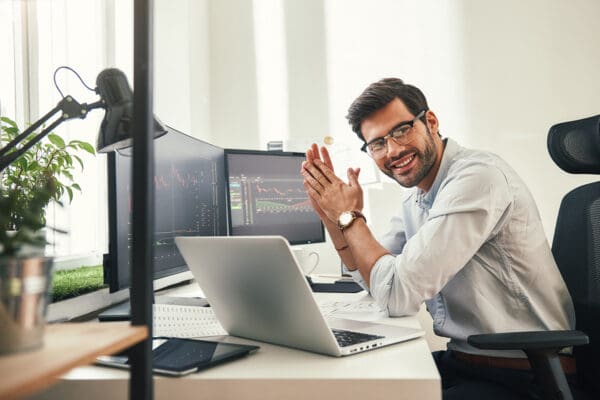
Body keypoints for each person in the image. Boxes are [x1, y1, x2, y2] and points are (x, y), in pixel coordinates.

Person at [301, 78, 575, 399]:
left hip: (525, 374)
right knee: (360, 385)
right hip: (466, 363)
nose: (393, 150)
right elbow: (373, 281)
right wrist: (334, 220)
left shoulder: (477, 177)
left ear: (430, 122)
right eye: (377, 144)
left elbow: (398, 295)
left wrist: (351, 218)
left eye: (401, 130)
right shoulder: (417, 198)